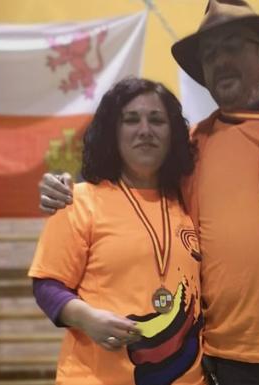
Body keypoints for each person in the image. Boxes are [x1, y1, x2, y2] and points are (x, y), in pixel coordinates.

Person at [38, 1, 259, 384]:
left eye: (232, 46)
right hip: (227, 363)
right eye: (210, 54)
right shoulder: (191, 151)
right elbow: (128, 186)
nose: (220, 60)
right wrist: (64, 185)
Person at [29, 77, 205, 385]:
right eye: (131, 120)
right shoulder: (79, 201)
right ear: (114, 132)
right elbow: (47, 285)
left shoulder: (191, 202)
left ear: (173, 134)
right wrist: (87, 319)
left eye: (157, 120)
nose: (145, 130)